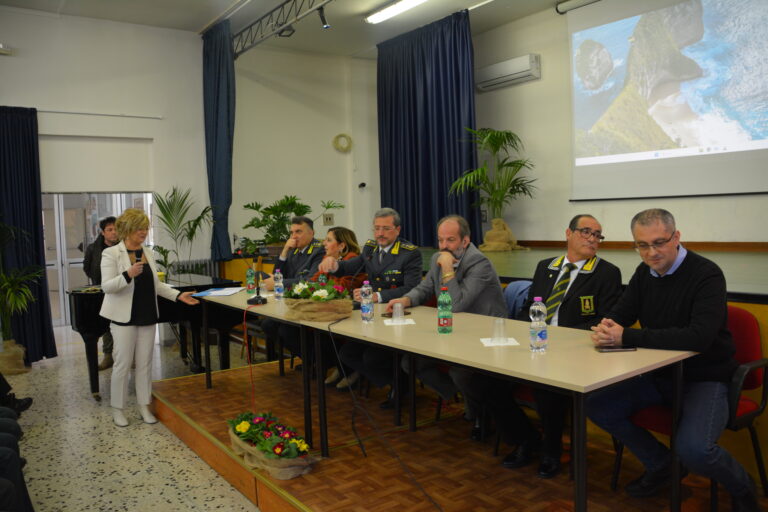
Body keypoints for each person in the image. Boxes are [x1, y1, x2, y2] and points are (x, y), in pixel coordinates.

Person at [587, 209, 759, 511]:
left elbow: (698, 338)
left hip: (705, 377)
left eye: (659, 242)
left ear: (676, 237)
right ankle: (663, 464)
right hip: (659, 374)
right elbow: (622, 314)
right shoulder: (644, 273)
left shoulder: (706, 274)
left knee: (695, 450)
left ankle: (744, 487)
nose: (651, 253)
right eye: (642, 245)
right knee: (595, 404)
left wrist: (627, 336)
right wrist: (607, 327)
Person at [467, 214, 622, 479]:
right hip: (533, 345)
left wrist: (560, 338)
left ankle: (551, 451)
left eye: (597, 235)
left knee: (546, 389)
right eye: (586, 231)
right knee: (483, 381)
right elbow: (529, 310)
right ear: (568, 233)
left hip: (573, 354)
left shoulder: (606, 273)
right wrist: (516, 335)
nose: (592, 238)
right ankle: (525, 438)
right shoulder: (545, 267)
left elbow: (603, 321)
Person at [386, 215, 506, 416]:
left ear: (465, 241)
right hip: (454, 330)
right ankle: (461, 397)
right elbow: (425, 288)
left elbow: (455, 305)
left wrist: (448, 268)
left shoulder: (479, 263)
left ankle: (479, 412)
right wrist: (405, 300)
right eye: (440, 240)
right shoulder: (438, 258)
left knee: (461, 372)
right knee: (411, 362)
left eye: (450, 240)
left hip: (484, 334)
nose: (443, 246)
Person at [100, 209, 198, 427]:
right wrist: (127, 274)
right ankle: (118, 409)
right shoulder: (112, 254)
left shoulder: (148, 252)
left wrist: (179, 295)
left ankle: (144, 406)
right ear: (127, 229)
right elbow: (106, 286)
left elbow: (157, 285)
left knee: (144, 364)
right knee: (123, 364)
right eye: (139, 229)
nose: (144, 232)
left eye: (146, 228)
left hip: (146, 313)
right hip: (123, 317)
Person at [317, 207, 422, 400]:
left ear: (397, 230)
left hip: (397, 314)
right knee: (347, 353)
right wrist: (336, 265)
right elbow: (352, 265)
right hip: (370, 312)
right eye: (377, 228)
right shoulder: (370, 247)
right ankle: (392, 382)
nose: (380, 234)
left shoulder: (410, 253)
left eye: (386, 229)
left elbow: (412, 288)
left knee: (370, 357)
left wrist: (378, 296)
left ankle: (402, 387)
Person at [260, 216, 326, 365]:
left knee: (286, 331)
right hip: (291, 301)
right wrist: (284, 251)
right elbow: (276, 273)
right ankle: (307, 358)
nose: (294, 236)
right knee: (267, 325)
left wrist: (278, 283)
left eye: (298, 232)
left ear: (312, 233)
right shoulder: (293, 250)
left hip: (309, 302)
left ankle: (316, 361)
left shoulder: (319, 251)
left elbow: (309, 281)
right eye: (292, 232)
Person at [310, 227, 367, 386]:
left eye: (329, 240)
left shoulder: (352, 260)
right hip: (333, 310)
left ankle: (351, 370)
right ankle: (341, 368)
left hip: (353, 314)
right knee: (317, 333)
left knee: (326, 334)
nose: (324, 243)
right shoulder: (327, 259)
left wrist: (332, 269)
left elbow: (343, 287)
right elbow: (315, 282)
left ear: (342, 246)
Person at [83, 215, 118, 370]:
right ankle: (108, 356)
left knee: (124, 323)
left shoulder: (124, 245)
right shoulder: (93, 248)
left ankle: (128, 356)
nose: (114, 232)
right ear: (103, 232)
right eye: (109, 230)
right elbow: (87, 267)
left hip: (122, 289)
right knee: (105, 325)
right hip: (102, 290)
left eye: (116, 229)